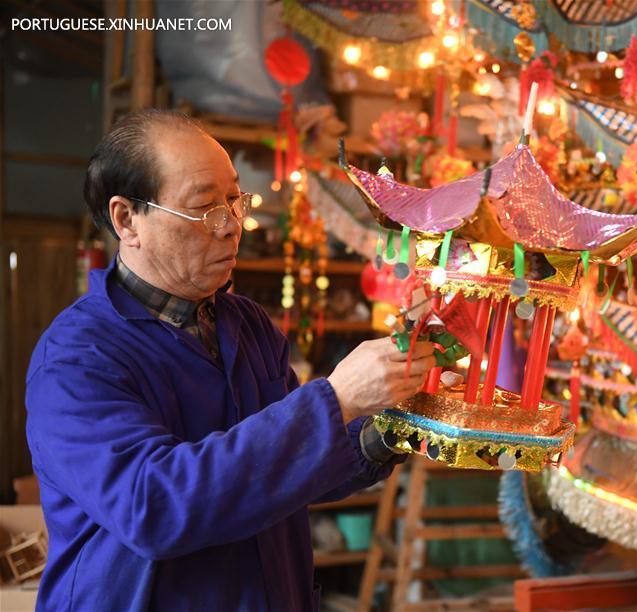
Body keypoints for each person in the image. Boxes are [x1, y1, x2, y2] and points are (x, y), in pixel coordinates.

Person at [25, 109, 436, 611]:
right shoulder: (76, 359)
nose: (231, 228)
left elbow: (290, 467)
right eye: (205, 209)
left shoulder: (246, 324)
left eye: (235, 201)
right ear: (126, 219)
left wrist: (391, 425)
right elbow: (155, 508)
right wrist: (334, 399)